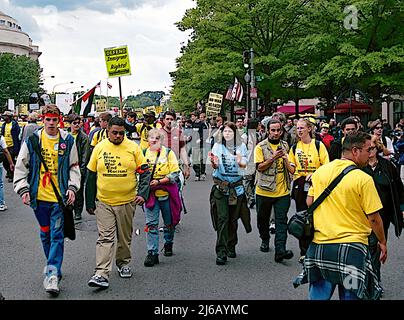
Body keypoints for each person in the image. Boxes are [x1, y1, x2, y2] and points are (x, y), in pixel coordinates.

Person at [295, 131, 387, 300]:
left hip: (321, 247)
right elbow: (374, 218)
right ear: (355, 151)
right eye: (368, 149)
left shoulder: (321, 172)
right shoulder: (363, 179)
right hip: (351, 252)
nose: (370, 154)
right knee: (351, 294)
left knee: (318, 296)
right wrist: (382, 242)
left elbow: (310, 202)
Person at [13, 104, 80, 295]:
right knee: (45, 234)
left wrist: (72, 187)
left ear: (60, 120)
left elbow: (74, 167)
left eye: (54, 119)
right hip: (38, 199)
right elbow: (21, 166)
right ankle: (54, 266)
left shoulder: (68, 140)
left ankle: (51, 274)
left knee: (57, 235)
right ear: (43, 119)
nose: (51, 123)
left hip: (59, 200)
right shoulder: (33, 140)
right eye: (48, 119)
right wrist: (23, 189)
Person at [85, 116, 150, 288]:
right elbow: (91, 175)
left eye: (121, 133)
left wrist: (142, 194)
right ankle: (101, 273)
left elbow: (145, 172)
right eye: (114, 133)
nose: (118, 136)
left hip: (127, 201)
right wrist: (89, 201)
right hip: (104, 201)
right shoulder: (99, 148)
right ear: (108, 131)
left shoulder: (133, 148)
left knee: (124, 237)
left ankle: (123, 263)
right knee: (105, 237)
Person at [363, 136, 403, 287]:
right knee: (364, 249)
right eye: (367, 149)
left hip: (382, 216)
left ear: (377, 148)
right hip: (362, 216)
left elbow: (399, 189)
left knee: (377, 248)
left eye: (372, 148)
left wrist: (401, 209)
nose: (370, 151)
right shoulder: (359, 167)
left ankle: (373, 282)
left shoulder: (387, 166)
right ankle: (364, 281)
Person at [209, 122, 251, 265]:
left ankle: (231, 245)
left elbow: (245, 164)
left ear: (235, 134)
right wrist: (214, 163)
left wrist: (240, 161)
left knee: (233, 220)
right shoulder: (217, 146)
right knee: (223, 219)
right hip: (221, 188)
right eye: (225, 131)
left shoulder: (242, 147)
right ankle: (221, 251)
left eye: (230, 132)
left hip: (237, 189)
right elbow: (214, 164)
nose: (227, 134)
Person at [288, 118, 329, 263]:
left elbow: (327, 166)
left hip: (316, 184)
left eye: (302, 128)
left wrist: (315, 174)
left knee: (317, 218)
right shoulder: (294, 147)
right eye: (297, 128)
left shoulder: (318, 145)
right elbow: (292, 170)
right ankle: (304, 252)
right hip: (300, 185)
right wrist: (285, 160)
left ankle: (318, 250)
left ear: (309, 129)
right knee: (302, 219)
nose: (299, 130)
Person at [254, 119, 295, 262]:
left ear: (282, 131)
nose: (276, 133)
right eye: (273, 130)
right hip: (264, 190)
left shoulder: (285, 145)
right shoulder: (260, 147)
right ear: (268, 131)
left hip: (282, 191)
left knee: (281, 221)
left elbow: (290, 166)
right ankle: (265, 238)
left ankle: (280, 251)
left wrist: (284, 159)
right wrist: (273, 158)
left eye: (278, 130)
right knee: (262, 220)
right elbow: (259, 167)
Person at [143, 128, 182, 266]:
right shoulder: (143, 153)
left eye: (157, 138)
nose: (153, 140)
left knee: (169, 222)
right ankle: (152, 253)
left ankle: (168, 242)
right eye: (151, 137)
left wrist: (159, 182)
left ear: (161, 140)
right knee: (151, 224)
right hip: (150, 194)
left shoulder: (168, 153)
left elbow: (175, 173)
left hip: (166, 193)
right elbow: (138, 173)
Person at [66, 114, 90, 221]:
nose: (77, 125)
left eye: (78, 123)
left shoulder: (83, 137)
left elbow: (85, 155)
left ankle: (78, 211)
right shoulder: (64, 135)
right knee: (66, 190)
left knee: (78, 192)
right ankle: (68, 208)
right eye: (74, 123)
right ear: (69, 124)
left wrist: (82, 170)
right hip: (66, 168)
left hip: (78, 168)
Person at [1, 111, 21, 183]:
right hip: (5, 146)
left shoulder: (14, 124)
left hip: (12, 145)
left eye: (5, 116)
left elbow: (18, 135)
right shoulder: (3, 125)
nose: (3, 117)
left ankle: (11, 175)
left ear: (9, 117)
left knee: (11, 160)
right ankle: (9, 171)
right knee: (4, 162)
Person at [0, 134, 15, 211]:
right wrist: (11, 163)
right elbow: (6, 151)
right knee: (0, 184)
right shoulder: (1, 137)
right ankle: (1, 204)